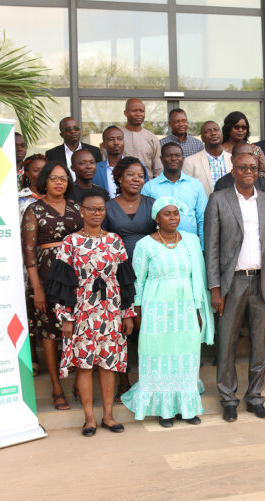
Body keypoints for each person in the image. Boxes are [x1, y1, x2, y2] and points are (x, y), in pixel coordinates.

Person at [46, 189, 136, 436]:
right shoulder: (70, 242)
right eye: (92, 209)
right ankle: (89, 418)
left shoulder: (115, 240)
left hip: (111, 309)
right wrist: (66, 318)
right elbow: (62, 284)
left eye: (101, 209)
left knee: (109, 364)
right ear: (81, 211)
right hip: (82, 310)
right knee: (84, 365)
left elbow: (125, 279)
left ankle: (108, 416)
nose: (97, 213)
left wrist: (127, 313)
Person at [205, 151, 265, 422]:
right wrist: (215, 288)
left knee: (260, 344)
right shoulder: (218, 199)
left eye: (253, 167)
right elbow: (211, 247)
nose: (248, 171)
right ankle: (228, 399)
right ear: (233, 171)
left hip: (262, 282)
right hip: (232, 283)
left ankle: (255, 397)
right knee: (226, 343)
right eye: (243, 167)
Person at [121, 197, 214, 428]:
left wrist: (198, 310)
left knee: (187, 355)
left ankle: (186, 408)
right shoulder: (145, 245)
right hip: (156, 308)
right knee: (158, 355)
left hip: (185, 308)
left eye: (176, 213)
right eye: (167, 213)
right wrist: (137, 312)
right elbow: (138, 281)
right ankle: (164, 410)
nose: (173, 218)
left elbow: (196, 277)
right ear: (156, 218)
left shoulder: (190, 241)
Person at [22, 161, 83, 411]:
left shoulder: (77, 208)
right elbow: (29, 253)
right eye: (54, 178)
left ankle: (79, 383)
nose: (59, 182)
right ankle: (57, 388)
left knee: (79, 328)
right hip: (47, 277)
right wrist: (37, 289)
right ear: (44, 181)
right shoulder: (34, 210)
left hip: (78, 276)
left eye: (64, 178)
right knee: (49, 333)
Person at [102, 156, 157, 399]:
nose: (136, 179)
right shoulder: (108, 206)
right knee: (120, 328)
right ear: (119, 177)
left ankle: (151, 379)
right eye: (131, 175)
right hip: (117, 276)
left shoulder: (153, 204)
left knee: (148, 327)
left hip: (150, 274)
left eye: (141, 176)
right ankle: (123, 380)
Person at [141, 142, 207, 245]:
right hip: (160, 245)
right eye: (169, 155)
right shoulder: (149, 187)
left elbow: (202, 219)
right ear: (161, 159)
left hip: (191, 244)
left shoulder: (196, 185)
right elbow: (146, 221)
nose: (173, 158)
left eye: (177, 155)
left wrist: (202, 246)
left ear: (183, 159)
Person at [18, 153, 46, 377]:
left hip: (51, 261)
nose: (41, 174)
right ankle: (32, 357)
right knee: (28, 308)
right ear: (27, 173)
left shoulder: (56, 195)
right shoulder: (19, 199)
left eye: (45, 170)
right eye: (36, 170)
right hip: (26, 261)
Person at [221, 111, 265, 188]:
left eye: (244, 127)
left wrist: (252, 173)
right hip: (224, 189)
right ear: (228, 128)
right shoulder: (219, 151)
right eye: (236, 127)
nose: (240, 130)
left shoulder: (255, 150)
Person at [182, 121, 232, 195]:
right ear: (202, 138)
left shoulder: (233, 159)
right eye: (207, 131)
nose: (213, 133)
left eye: (216, 130)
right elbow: (186, 190)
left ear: (222, 134)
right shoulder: (190, 162)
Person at [123, 98, 163, 178]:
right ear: (125, 113)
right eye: (134, 111)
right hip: (121, 184)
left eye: (142, 111)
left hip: (147, 184)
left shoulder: (152, 138)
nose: (138, 114)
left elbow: (158, 169)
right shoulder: (117, 136)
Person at [93, 126, 125, 198]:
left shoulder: (135, 166)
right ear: (103, 145)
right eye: (111, 139)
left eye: (120, 139)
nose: (116, 142)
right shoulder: (95, 170)